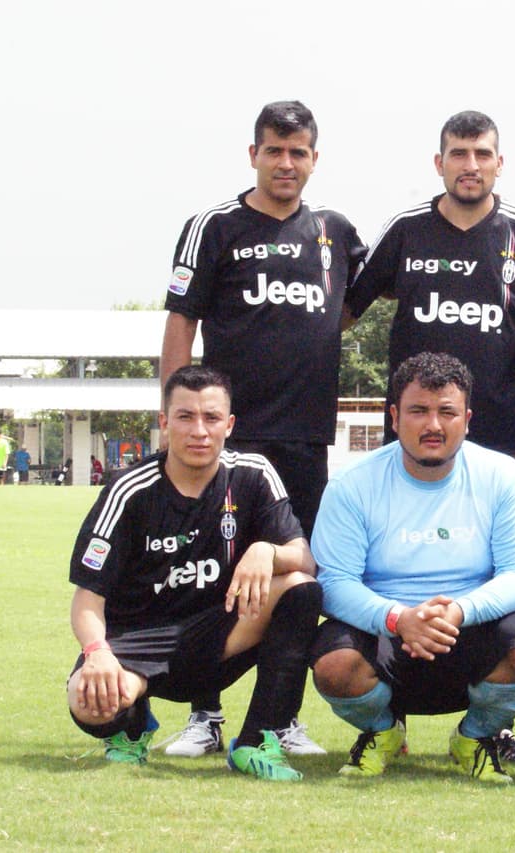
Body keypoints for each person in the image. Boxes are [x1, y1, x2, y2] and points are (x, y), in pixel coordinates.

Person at [158, 100, 362, 758]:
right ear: (253, 154)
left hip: (304, 438)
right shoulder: (213, 226)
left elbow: (343, 310)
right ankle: (204, 712)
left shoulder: (336, 232)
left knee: (300, 579)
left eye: (298, 151)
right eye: (274, 149)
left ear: (314, 159)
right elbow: (181, 323)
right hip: (226, 442)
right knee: (213, 572)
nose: (285, 162)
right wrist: (175, 417)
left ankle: (283, 716)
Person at [64, 366, 322, 781]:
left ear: (229, 424)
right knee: (87, 702)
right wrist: (97, 654)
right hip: (140, 644)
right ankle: (132, 727)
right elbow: (87, 598)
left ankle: (257, 742)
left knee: (301, 589)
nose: (199, 431)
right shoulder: (128, 491)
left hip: (219, 635)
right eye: (185, 417)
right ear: (164, 423)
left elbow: (303, 558)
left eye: (211, 418)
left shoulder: (252, 473)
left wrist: (266, 551)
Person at [309, 353, 515, 783]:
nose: (433, 425)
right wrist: (400, 619)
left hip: (466, 633)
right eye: (419, 411)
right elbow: (333, 582)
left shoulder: (502, 476)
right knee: (334, 663)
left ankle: (475, 738)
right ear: (395, 416)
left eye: (447, 412)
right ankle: (381, 732)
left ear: (467, 419)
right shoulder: (352, 484)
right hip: (386, 635)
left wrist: (456, 612)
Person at [343, 109, 515, 461]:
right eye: (459, 154)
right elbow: (343, 313)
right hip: (414, 438)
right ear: (439, 162)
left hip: (499, 440)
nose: (471, 165)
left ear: (500, 163)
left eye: (482, 154)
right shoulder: (405, 230)